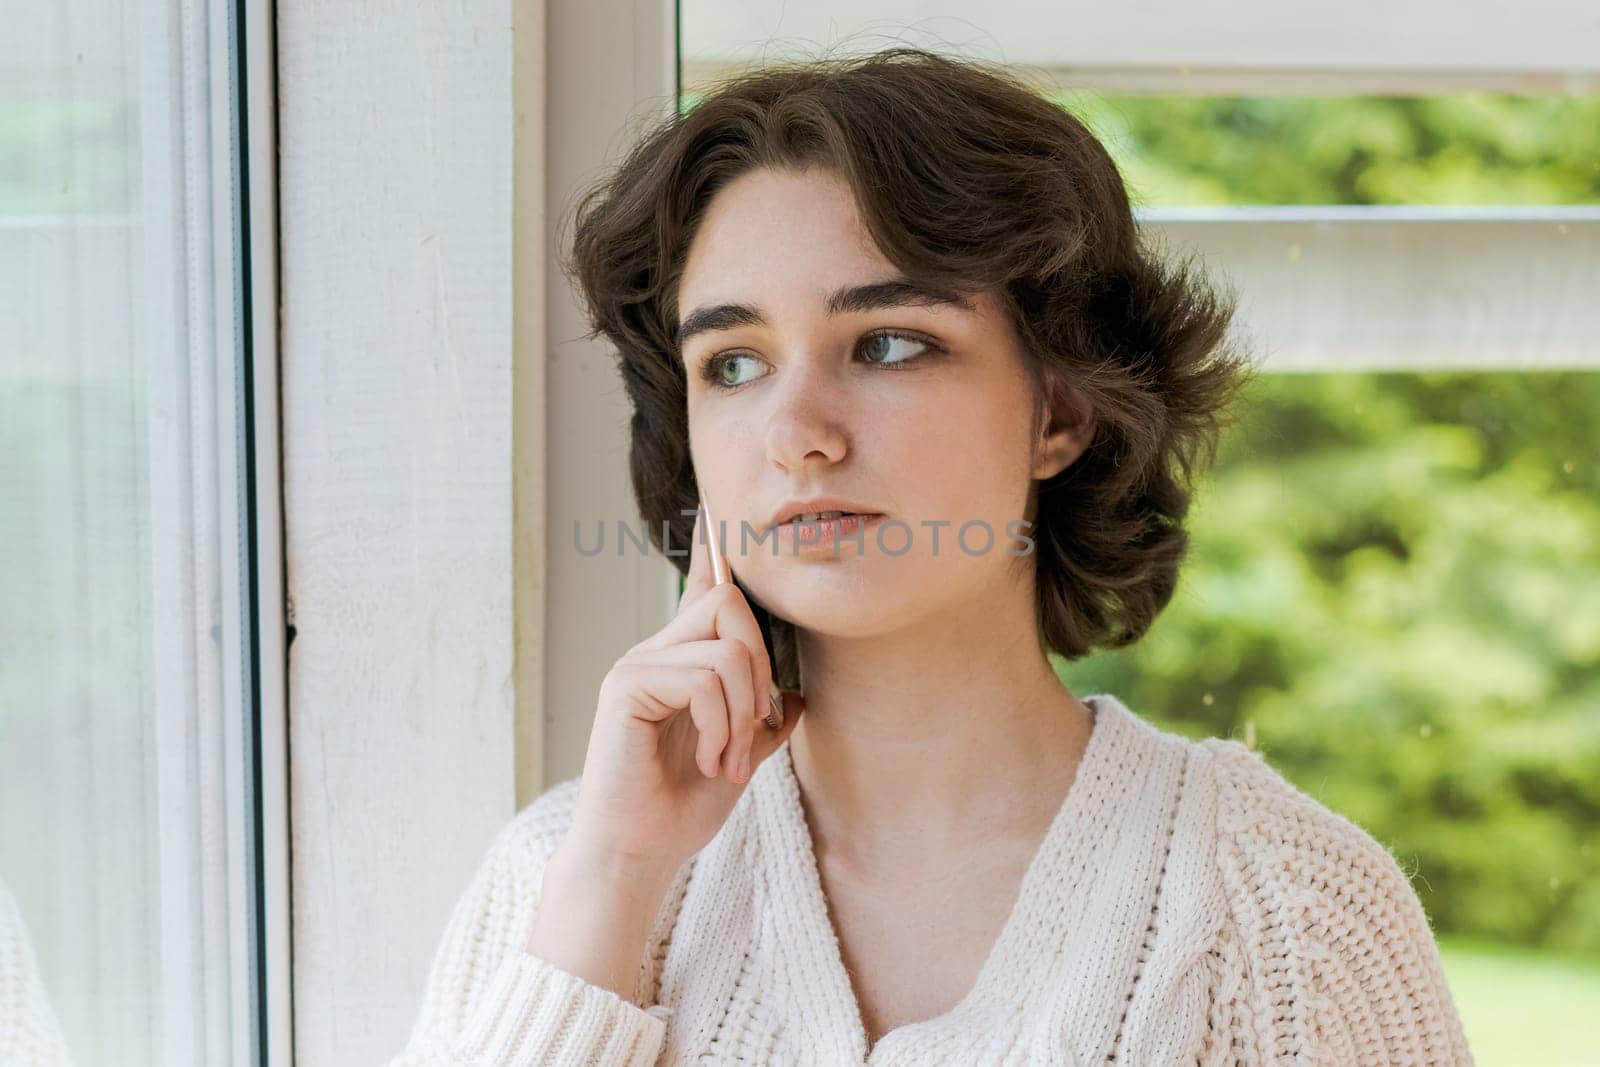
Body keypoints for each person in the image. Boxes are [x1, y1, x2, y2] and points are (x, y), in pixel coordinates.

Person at [386, 46, 1474, 1065]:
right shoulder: (559, 873)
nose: (797, 429)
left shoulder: (1291, 910)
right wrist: (614, 883)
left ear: (1059, 411)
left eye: (889, 343)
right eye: (731, 363)